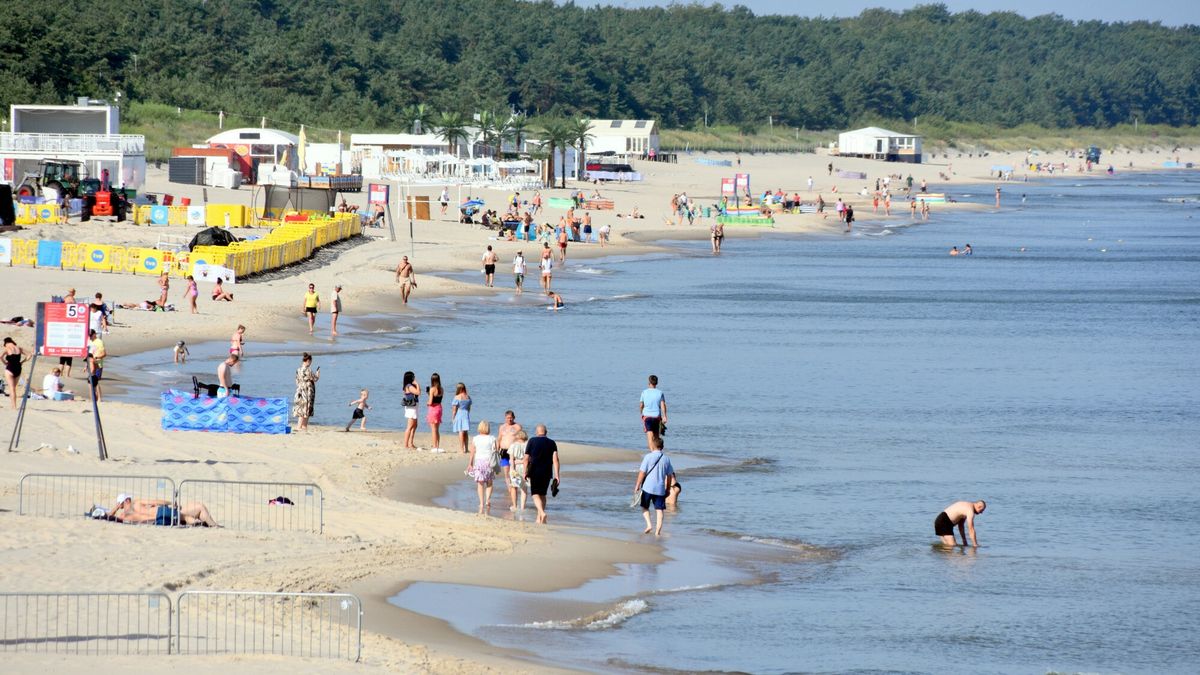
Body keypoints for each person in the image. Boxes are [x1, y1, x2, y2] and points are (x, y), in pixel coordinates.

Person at [634, 436, 676, 536]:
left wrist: (637, 485)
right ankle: (657, 532)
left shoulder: (648, 457)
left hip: (648, 487)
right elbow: (669, 475)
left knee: (644, 507)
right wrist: (668, 489)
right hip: (660, 489)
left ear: (653, 445)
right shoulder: (666, 459)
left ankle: (649, 525)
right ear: (662, 446)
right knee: (659, 510)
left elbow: (642, 473)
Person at [523, 424, 560, 524]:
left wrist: (524, 472)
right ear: (546, 432)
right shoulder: (552, 443)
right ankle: (539, 518)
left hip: (534, 471)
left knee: (535, 494)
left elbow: (526, 458)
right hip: (547, 472)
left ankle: (542, 513)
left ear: (536, 432)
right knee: (543, 495)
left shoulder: (532, 441)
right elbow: (555, 460)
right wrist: (557, 475)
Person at [111, 494, 219, 527]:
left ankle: (202, 524)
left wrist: (115, 508)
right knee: (186, 516)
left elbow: (108, 516)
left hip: (157, 521)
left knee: (185, 516)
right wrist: (170, 503)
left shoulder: (123, 515)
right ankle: (203, 525)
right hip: (161, 512)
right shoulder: (136, 503)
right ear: (127, 500)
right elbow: (156, 501)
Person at [466, 420, 499, 515]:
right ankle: (487, 500)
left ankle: (481, 503)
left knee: (480, 483)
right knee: (489, 482)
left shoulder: (475, 438)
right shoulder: (492, 438)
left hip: (479, 462)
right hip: (489, 462)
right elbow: (495, 451)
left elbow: (472, 452)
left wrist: (470, 463)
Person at [497, 410, 523, 508]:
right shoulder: (502, 427)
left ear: (514, 417)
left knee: (514, 471)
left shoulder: (517, 427)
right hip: (503, 451)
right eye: (507, 418)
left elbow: (521, 439)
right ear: (505, 418)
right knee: (506, 472)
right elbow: (499, 439)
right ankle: (510, 489)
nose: (509, 419)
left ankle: (515, 487)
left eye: (511, 417)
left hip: (513, 452)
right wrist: (496, 450)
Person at [639, 374, 667, 451]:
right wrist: (665, 416)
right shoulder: (660, 393)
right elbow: (662, 405)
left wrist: (641, 413)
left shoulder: (644, 392)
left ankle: (653, 455)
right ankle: (658, 453)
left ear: (649, 383)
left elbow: (641, 405)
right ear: (656, 383)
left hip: (647, 417)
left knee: (650, 438)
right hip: (657, 417)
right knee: (656, 438)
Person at [293, 353, 320, 431]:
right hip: (307, 390)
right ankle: (303, 426)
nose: (311, 363)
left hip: (300, 390)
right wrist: (318, 374)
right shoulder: (308, 370)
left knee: (301, 407)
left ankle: (300, 426)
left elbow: (296, 382)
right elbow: (315, 379)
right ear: (308, 361)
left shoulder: (298, 370)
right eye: (310, 361)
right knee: (307, 407)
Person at [4, 337, 29, 409]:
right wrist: (22, 362)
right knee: (14, 388)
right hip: (18, 368)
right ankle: (13, 405)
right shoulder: (19, 348)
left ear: (6, 343)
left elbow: (0, 356)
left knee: (12, 389)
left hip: (10, 368)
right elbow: (29, 355)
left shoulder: (7, 348)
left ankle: (14, 406)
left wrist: (5, 363)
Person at [508, 429, 529, 511]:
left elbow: (511, 460)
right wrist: (522, 461)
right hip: (525, 467)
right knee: (524, 487)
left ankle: (515, 505)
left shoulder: (513, 445)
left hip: (516, 467)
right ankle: (523, 507)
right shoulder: (528, 445)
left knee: (514, 486)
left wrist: (512, 470)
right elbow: (529, 459)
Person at [451, 382, 472, 453]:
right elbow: (469, 408)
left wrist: (453, 418)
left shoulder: (457, 397)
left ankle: (461, 449)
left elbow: (454, 410)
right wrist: (467, 413)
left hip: (459, 413)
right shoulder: (468, 397)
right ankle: (466, 448)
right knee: (465, 432)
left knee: (460, 431)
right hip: (466, 414)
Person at [402, 370, 420, 449]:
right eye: (413, 376)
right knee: (410, 426)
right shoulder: (409, 386)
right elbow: (418, 393)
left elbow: (418, 392)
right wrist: (417, 384)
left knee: (415, 425)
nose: (414, 378)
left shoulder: (409, 386)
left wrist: (416, 385)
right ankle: (406, 444)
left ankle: (411, 443)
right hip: (411, 408)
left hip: (413, 406)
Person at [87, 329, 106, 402]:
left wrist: (96, 358)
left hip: (98, 364)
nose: (90, 337)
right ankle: (94, 398)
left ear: (94, 334)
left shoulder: (99, 342)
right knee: (91, 381)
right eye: (89, 336)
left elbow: (104, 353)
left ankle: (99, 398)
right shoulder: (90, 341)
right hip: (90, 363)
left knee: (96, 382)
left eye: (91, 336)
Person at [426, 373, 444, 452]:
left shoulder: (432, 389)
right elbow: (437, 399)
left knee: (433, 429)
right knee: (437, 429)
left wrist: (427, 401)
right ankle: (437, 445)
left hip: (433, 409)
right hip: (439, 408)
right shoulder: (441, 389)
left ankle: (434, 446)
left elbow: (430, 402)